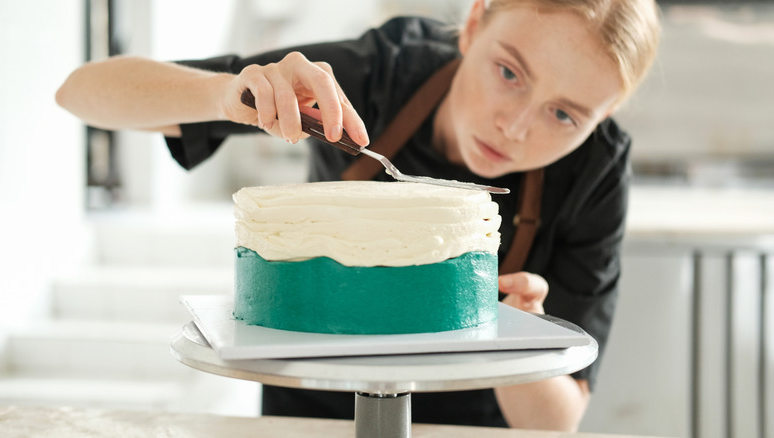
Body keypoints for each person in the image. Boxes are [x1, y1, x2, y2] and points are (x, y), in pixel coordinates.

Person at [56, 0, 660, 431]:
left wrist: (517, 333)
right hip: (314, 416)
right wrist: (226, 96)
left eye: (566, 116)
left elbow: (555, 424)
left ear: (601, 119)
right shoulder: (378, 72)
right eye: (509, 73)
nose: (517, 124)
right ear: (474, 24)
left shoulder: (596, 173)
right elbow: (80, 92)